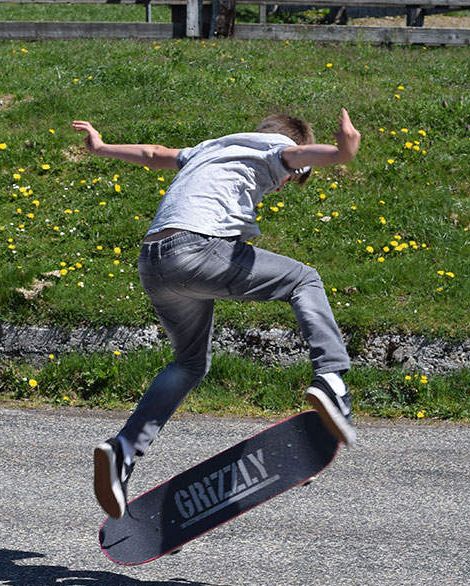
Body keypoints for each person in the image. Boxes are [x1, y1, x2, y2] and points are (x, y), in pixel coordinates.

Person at [72, 108, 361, 520]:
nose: (280, 188)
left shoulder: (208, 148)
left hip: (153, 261)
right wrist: (341, 152)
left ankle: (122, 452)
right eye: (290, 181)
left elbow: (154, 153)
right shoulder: (276, 150)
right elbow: (303, 156)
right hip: (200, 250)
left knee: (189, 363)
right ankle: (332, 379)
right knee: (304, 280)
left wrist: (101, 148)